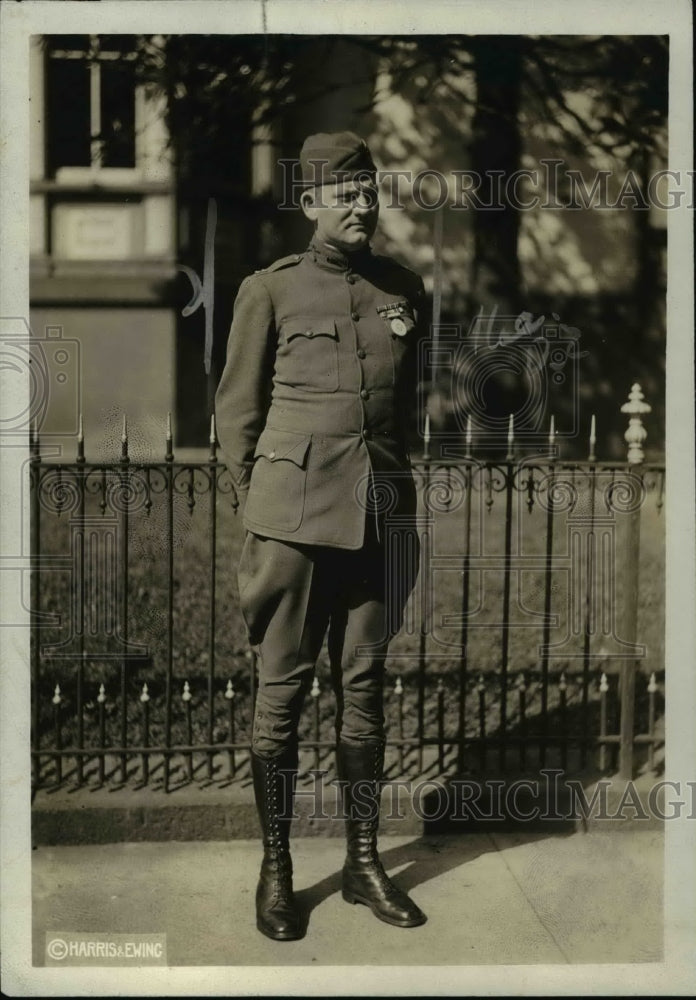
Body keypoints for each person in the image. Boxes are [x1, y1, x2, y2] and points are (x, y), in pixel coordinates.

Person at [215, 131, 427, 941]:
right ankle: (277, 869)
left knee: (364, 692)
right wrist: (262, 506)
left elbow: (401, 412)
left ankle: (365, 863)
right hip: (293, 527)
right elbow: (235, 415)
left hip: (378, 517)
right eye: (344, 195)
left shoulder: (402, 287)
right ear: (310, 204)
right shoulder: (270, 291)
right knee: (283, 697)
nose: (361, 206)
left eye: (369, 192)